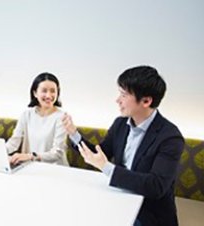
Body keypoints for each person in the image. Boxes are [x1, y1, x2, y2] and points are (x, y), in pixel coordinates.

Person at [62, 66, 184, 226]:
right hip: (119, 199)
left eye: (124, 95)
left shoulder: (170, 137)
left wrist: (106, 167)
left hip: (148, 214)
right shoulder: (121, 124)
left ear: (146, 101)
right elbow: (101, 153)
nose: (117, 100)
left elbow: (156, 186)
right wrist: (74, 134)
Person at [6, 72, 68, 166]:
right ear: (35, 93)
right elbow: (13, 142)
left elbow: (57, 153)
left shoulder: (62, 117)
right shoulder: (26, 115)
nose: (48, 95)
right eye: (44, 91)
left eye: (53, 91)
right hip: (29, 167)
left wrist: (31, 156)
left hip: (55, 170)